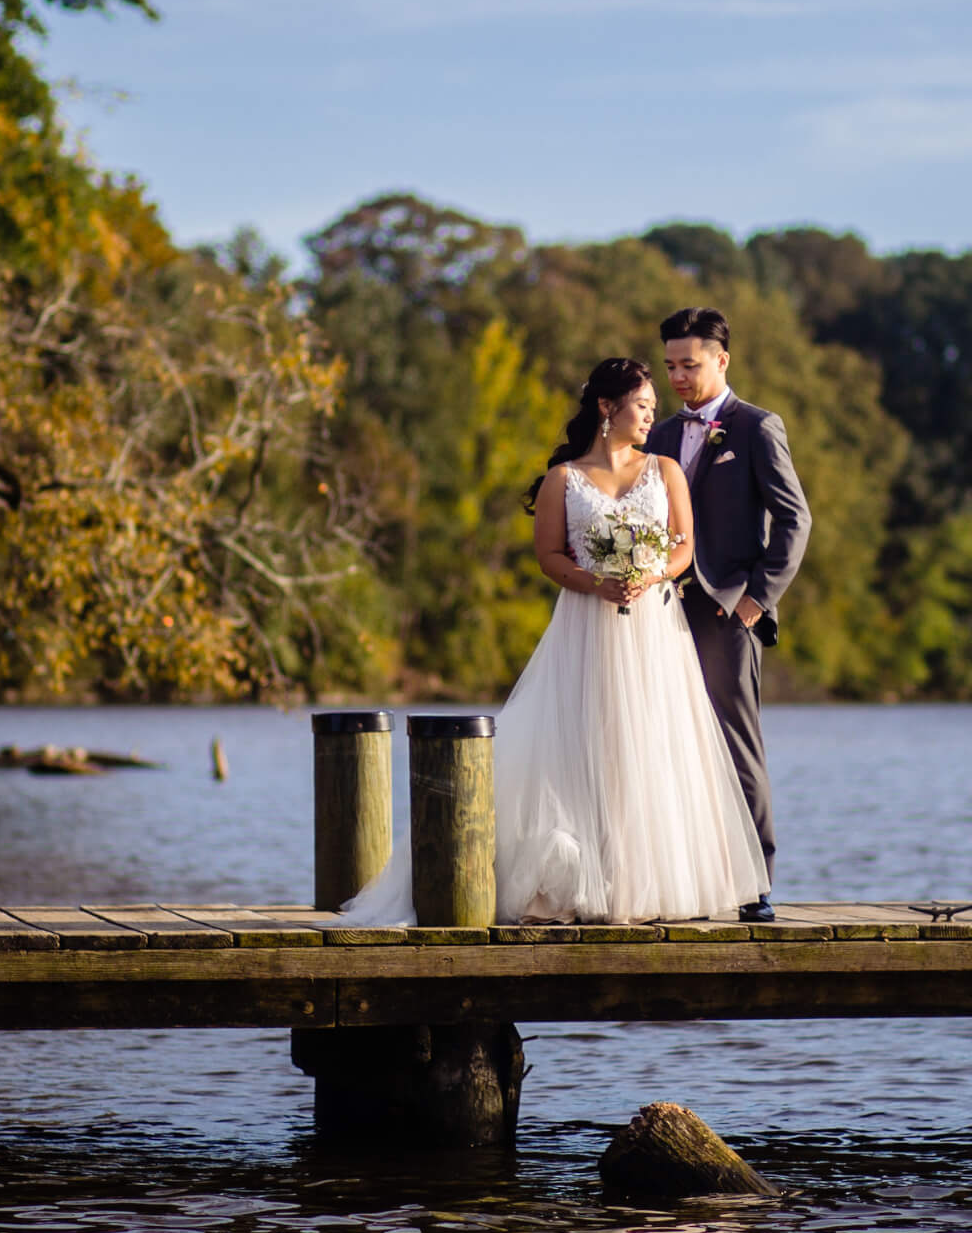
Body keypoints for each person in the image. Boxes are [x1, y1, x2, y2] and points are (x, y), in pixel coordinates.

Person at [332, 357, 767, 926]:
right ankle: (583, 879)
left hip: (654, 631)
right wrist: (598, 582)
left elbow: (685, 547)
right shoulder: (565, 479)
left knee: (650, 745)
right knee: (582, 743)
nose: (650, 418)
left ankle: (645, 885)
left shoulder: (665, 470)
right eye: (642, 406)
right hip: (585, 629)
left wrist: (653, 572)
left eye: (654, 410)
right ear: (607, 408)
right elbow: (550, 558)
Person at [646, 308, 811, 923]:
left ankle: (755, 885)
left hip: (727, 613)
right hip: (659, 615)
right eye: (670, 366)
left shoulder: (757, 427)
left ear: (722, 360)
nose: (679, 377)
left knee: (737, 747)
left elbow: (796, 521)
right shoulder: (659, 434)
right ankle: (682, 879)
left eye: (690, 364)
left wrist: (754, 600)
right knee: (667, 745)